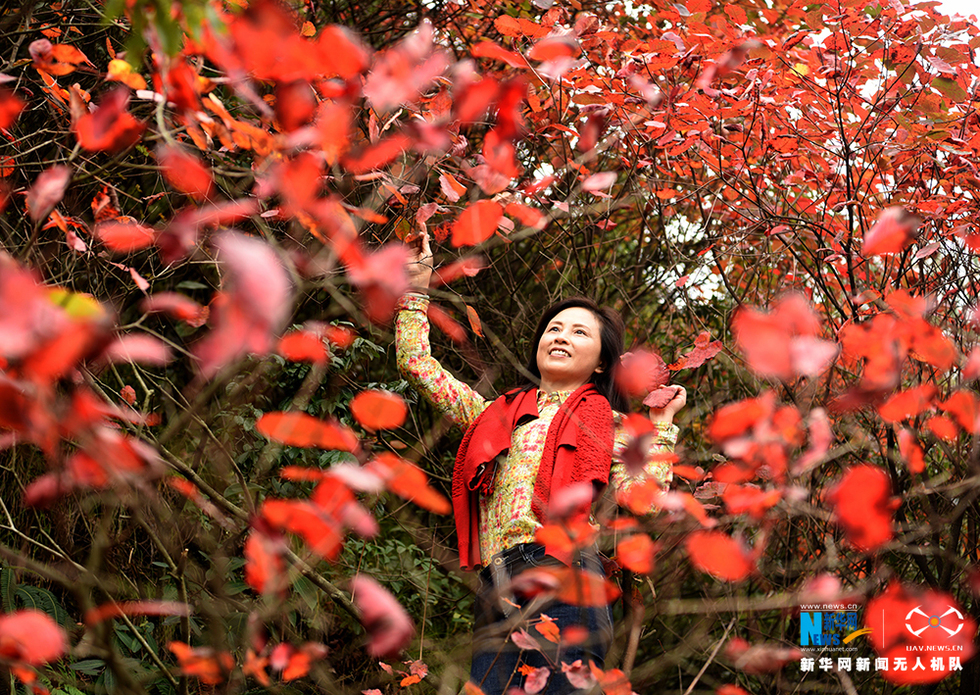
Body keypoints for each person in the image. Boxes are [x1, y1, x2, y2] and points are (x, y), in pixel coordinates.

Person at [395, 233, 686, 695]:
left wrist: (662, 427)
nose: (561, 336)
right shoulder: (495, 417)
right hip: (498, 584)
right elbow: (417, 365)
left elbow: (644, 501)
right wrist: (415, 289)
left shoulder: (611, 426)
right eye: (554, 328)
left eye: (579, 332)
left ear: (600, 364)